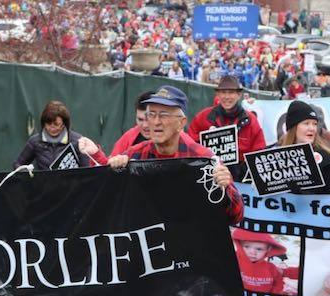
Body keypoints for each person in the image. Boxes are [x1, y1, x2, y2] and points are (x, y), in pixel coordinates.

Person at [107, 85, 244, 225]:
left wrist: (225, 188)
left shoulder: (203, 159)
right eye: (151, 114)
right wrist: (115, 171)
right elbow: (109, 202)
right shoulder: (134, 155)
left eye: (163, 115)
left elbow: (235, 216)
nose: (155, 122)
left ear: (181, 123)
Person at [187, 75, 267, 181]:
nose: (226, 97)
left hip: (240, 182)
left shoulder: (251, 120)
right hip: (209, 178)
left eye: (231, 92)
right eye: (223, 92)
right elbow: (189, 146)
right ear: (218, 94)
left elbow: (259, 153)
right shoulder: (203, 117)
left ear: (239, 95)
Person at [276, 101, 330, 194]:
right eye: (306, 123)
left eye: (315, 124)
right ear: (294, 127)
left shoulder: (327, 159)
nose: (312, 128)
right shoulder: (275, 156)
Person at [14, 100, 90, 170]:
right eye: (49, 124)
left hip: (71, 184)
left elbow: (87, 170)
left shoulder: (78, 141)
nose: (52, 128)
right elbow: (18, 164)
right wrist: (29, 176)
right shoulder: (34, 141)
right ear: (44, 123)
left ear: (64, 124)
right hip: (44, 184)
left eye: (56, 124)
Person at [231, 228, 287, 294]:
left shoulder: (271, 267)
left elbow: (278, 282)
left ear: (268, 250)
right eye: (247, 246)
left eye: (259, 249)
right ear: (240, 245)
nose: (252, 252)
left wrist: (273, 295)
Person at [109, 91, 154, 156]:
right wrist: (96, 154)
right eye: (140, 119)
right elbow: (109, 162)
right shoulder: (129, 137)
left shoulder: (170, 140)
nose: (144, 125)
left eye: (149, 120)